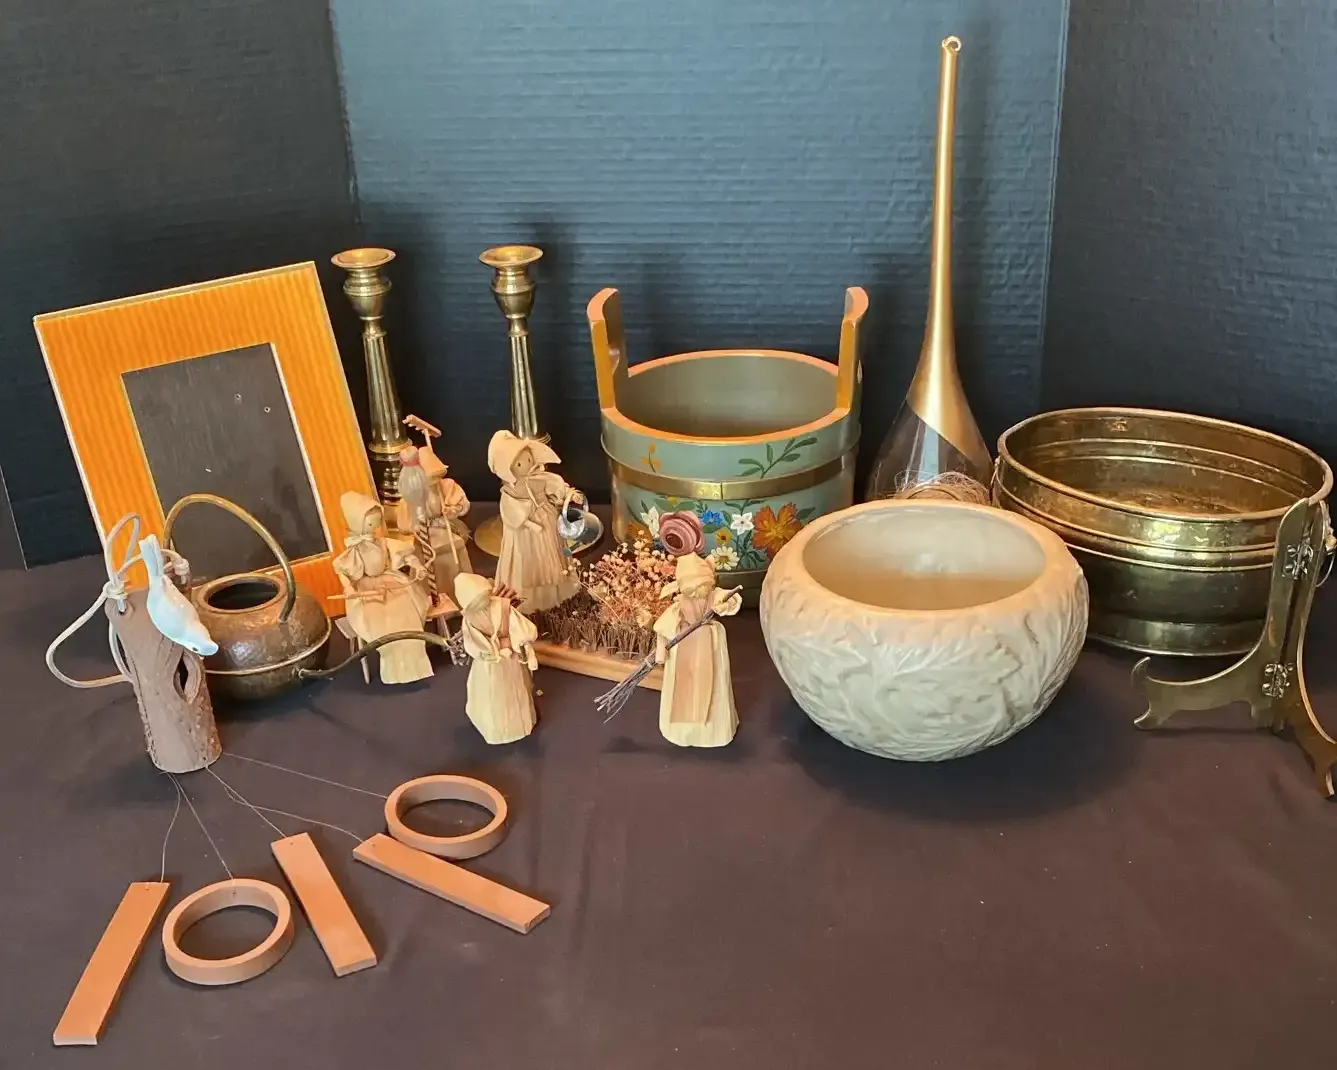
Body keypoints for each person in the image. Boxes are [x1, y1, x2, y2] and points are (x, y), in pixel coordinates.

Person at [333, 492, 433, 685]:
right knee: (380, 619)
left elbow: (405, 555)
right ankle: (394, 667)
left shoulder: (383, 543)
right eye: (371, 523)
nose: (376, 527)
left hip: (390, 580)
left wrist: (417, 566)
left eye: (377, 522)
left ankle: (415, 664)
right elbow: (343, 571)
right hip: (366, 587)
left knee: (406, 610)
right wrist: (349, 588)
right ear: (357, 523)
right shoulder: (355, 550)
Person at [652, 553, 743, 747]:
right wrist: (661, 654)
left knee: (713, 683)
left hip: (710, 642)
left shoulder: (713, 594)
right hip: (684, 642)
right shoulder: (680, 605)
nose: (698, 593)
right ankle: (684, 731)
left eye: (702, 586)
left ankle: (712, 731)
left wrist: (724, 605)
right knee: (684, 686)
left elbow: (732, 599)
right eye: (692, 589)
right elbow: (662, 628)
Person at [488, 430, 582, 613]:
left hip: (547, 520)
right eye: (519, 464)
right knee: (527, 558)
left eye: (529, 460)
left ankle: (558, 591)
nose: (527, 465)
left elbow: (556, 487)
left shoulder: (540, 479)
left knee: (552, 552)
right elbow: (511, 512)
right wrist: (529, 524)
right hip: (525, 531)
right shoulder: (510, 491)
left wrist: (569, 495)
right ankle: (531, 600)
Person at [454, 573, 539, 744]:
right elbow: (525, 631)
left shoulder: (470, 617)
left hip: (489, 660)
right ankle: (515, 726)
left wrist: (487, 651)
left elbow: (472, 644)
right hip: (505, 657)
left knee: (494, 693)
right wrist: (518, 645)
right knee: (509, 689)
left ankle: (499, 727)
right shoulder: (502, 606)